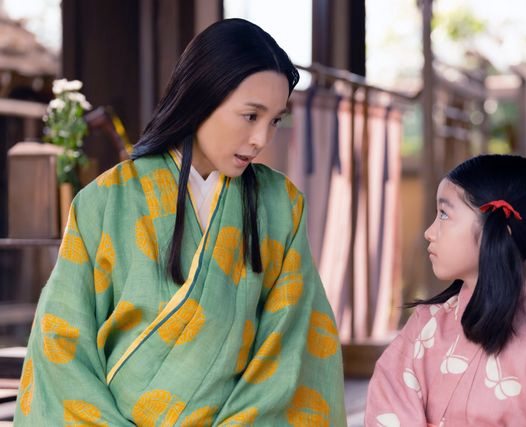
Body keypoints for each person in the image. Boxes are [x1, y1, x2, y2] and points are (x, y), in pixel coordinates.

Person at [15, 18, 346, 426]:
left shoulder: (281, 206)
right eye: (250, 116)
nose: (261, 138)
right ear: (201, 98)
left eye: (275, 120)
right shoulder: (105, 201)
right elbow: (61, 345)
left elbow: (292, 349)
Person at [365, 155, 526, 426]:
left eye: (444, 214)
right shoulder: (425, 324)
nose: (429, 232)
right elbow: (387, 407)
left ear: (496, 231)